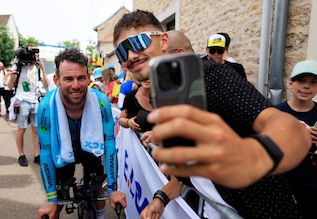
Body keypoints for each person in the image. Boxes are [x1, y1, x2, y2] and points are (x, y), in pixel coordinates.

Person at [113, 9, 311, 218]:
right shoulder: (161, 97)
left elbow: (289, 128)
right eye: (121, 52)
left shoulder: (208, 76)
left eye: (136, 43)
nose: (130, 56)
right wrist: (161, 198)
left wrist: (257, 155)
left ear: (163, 41)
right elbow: (191, 170)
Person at [36, 48, 126, 219]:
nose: (76, 85)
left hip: (91, 149)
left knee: (97, 187)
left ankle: (98, 215)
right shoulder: (46, 107)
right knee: (57, 200)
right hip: (61, 151)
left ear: (89, 77)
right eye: (68, 79)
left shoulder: (101, 101)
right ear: (56, 80)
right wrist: (51, 199)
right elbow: (46, 152)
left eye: (81, 78)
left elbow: (109, 145)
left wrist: (113, 189)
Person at [276, 60, 317, 219]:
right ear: (290, 83)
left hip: (312, 185)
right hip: (283, 183)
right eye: (301, 81)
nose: (306, 86)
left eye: (313, 82)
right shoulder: (275, 112)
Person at [8, 45, 49, 167]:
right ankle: (21, 155)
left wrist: (43, 69)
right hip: (22, 101)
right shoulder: (18, 66)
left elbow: (46, 86)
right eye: (33, 55)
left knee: (36, 130)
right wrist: (12, 76)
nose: (34, 57)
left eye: (36, 55)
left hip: (35, 101)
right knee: (22, 129)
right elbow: (10, 87)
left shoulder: (37, 68)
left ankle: (37, 155)